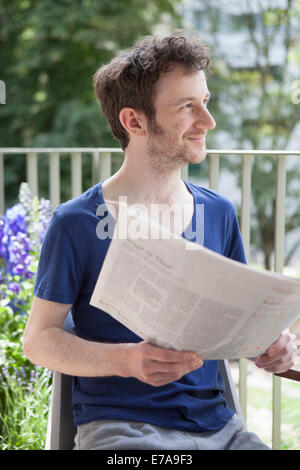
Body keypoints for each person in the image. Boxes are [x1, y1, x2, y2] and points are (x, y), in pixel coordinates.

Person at [23, 31, 297, 450]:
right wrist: (127, 361)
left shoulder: (218, 212)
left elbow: (239, 322)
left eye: (206, 102)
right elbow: (39, 340)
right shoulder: (74, 223)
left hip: (219, 429)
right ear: (134, 121)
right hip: (120, 432)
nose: (208, 121)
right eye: (188, 106)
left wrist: (272, 345)